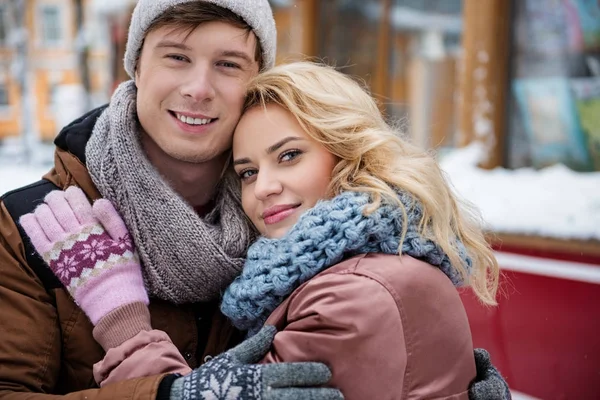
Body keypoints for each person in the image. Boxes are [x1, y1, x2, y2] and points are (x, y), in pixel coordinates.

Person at [20, 62, 512, 399]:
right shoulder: (374, 264)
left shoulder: (350, 296)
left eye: (289, 156)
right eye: (248, 171)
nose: (264, 189)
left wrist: (121, 316)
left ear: (348, 154)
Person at [0, 1, 342, 399]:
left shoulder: (295, 218)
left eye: (228, 64)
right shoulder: (25, 227)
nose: (198, 88)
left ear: (256, 85)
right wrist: (168, 395)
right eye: (177, 57)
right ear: (137, 67)